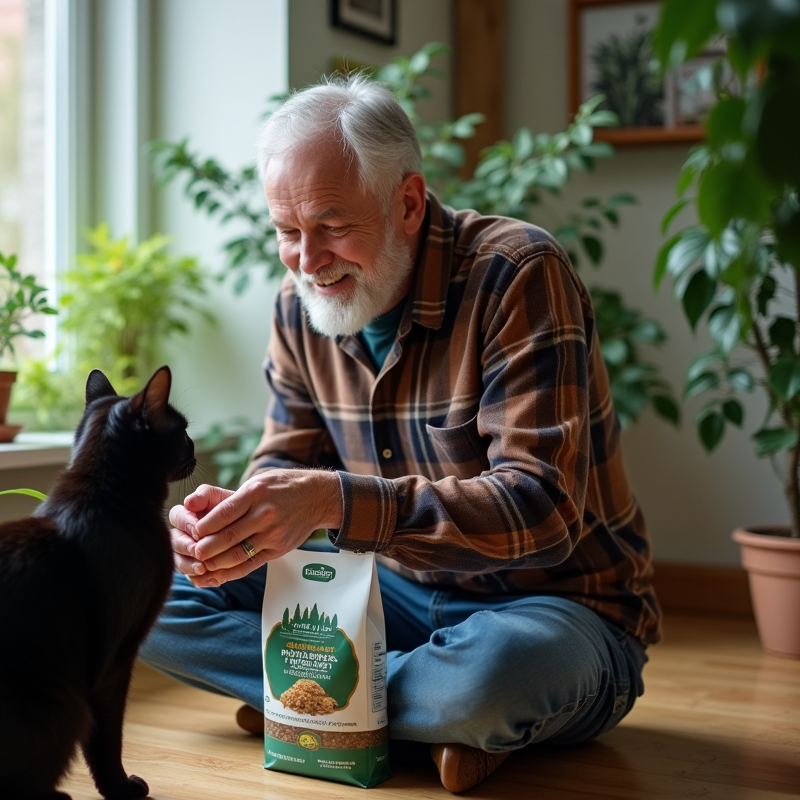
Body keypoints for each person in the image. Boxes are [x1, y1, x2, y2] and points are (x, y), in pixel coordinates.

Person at [138, 75, 659, 794]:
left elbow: (544, 510)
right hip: (384, 594)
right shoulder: (299, 305)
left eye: (331, 226)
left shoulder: (516, 273)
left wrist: (334, 502)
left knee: (486, 681)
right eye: (287, 232)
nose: (307, 260)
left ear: (408, 203)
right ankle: (405, 715)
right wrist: (230, 529)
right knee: (138, 592)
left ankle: (323, 701)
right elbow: (283, 468)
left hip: (550, 605)